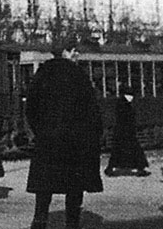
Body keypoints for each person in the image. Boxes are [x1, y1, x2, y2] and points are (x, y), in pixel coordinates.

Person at [25, 35, 102, 229]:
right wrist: (90, 135)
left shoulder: (42, 74)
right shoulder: (79, 75)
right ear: (66, 52)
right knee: (74, 186)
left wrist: (41, 131)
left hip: (47, 140)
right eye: (74, 50)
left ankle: (39, 221)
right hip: (74, 141)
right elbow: (91, 110)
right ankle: (72, 223)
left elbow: (31, 108)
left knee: (44, 185)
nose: (77, 54)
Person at [105, 87, 150, 176]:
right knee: (135, 150)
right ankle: (140, 168)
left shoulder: (121, 103)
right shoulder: (125, 105)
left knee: (118, 151)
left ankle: (111, 168)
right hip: (126, 132)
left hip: (122, 132)